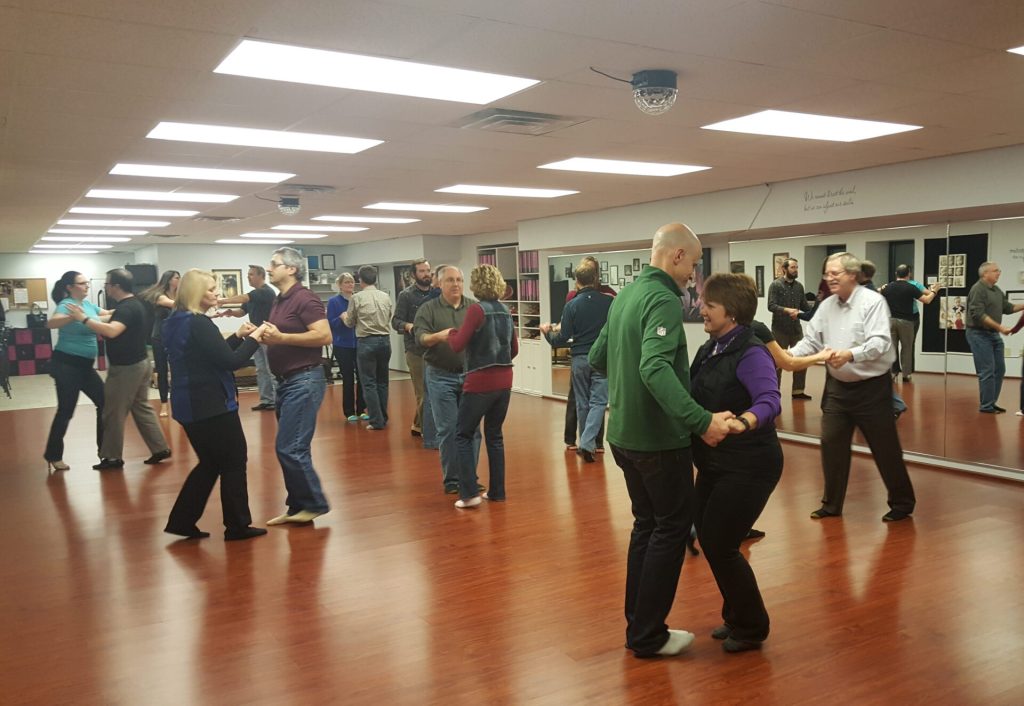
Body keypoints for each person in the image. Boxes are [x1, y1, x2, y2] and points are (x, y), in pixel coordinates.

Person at [589, 223, 733, 658]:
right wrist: (700, 420)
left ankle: (639, 626)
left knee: (647, 526)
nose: (694, 274)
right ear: (675, 256)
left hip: (622, 437)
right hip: (656, 442)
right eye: (692, 263)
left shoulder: (625, 297)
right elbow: (654, 369)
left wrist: (627, 378)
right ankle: (648, 634)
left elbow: (598, 357)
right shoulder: (664, 299)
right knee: (670, 528)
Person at [690, 273, 783, 653]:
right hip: (716, 463)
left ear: (730, 311)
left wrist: (742, 422)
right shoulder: (709, 348)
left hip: (751, 464)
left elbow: (770, 400)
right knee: (712, 539)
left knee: (720, 542)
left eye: (708, 304)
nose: (701, 309)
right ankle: (735, 615)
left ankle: (752, 625)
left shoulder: (751, 351)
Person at [789, 252, 916, 522]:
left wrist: (851, 354)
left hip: (872, 389)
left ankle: (902, 503)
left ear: (852, 275)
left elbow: (881, 342)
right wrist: (790, 356)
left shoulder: (873, 302)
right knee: (831, 443)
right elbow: (811, 342)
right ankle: (832, 504)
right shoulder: (826, 306)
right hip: (838, 389)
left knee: (885, 448)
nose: (829, 278)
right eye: (826, 274)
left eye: (835, 273)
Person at [162, 270, 267, 541]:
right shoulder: (199, 323)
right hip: (210, 404)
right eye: (211, 289)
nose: (217, 294)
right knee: (233, 461)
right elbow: (229, 362)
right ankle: (237, 525)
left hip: (188, 404)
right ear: (196, 293)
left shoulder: (175, 320)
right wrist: (255, 339)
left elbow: (205, 354)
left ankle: (182, 521)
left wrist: (237, 338)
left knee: (209, 463)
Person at [66, 268, 171, 470]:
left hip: (126, 368)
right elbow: (111, 322)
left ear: (115, 286)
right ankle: (160, 448)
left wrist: (84, 319)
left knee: (112, 412)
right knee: (141, 408)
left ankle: (112, 457)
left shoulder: (126, 308)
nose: (105, 287)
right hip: (140, 363)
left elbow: (113, 331)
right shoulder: (134, 305)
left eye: (107, 284)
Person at [261, 247, 332, 525]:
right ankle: (297, 506)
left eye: (274, 264)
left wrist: (280, 338)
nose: (269, 268)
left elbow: (324, 335)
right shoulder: (280, 299)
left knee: (289, 447)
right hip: (287, 382)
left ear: (291, 269)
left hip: (304, 380)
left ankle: (314, 503)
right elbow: (283, 333)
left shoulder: (305, 298)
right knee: (295, 446)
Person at [447, 264, 519, 508]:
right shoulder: (506, 311)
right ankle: (497, 491)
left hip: (479, 381)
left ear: (476, 285)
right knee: (494, 435)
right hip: (505, 381)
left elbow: (457, 345)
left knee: (463, 434)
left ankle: (469, 494)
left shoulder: (476, 310)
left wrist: (451, 334)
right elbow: (514, 349)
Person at [414, 265, 481, 494]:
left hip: (471, 375)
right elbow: (420, 337)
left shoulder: (474, 307)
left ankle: (469, 478)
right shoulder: (428, 309)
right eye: (451, 280)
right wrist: (438, 337)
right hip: (440, 375)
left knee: (472, 430)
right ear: (439, 284)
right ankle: (452, 480)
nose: (456, 284)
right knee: (449, 429)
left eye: (459, 280)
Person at [541, 262, 613, 462]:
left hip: (580, 359)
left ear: (577, 281)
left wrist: (547, 333)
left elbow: (562, 338)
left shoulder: (571, 305)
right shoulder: (609, 303)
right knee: (599, 402)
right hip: (602, 358)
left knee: (582, 402)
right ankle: (588, 443)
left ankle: (586, 443)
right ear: (596, 279)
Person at [43, 271, 111, 471]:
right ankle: (53, 455)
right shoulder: (67, 305)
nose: (86, 286)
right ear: (70, 287)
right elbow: (51, 323)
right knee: (66, 410)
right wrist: (73, 317)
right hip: (66, 365)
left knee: (105, 403)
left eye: (86, 283)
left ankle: (105, 451)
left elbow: (106, 314)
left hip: (84, 367)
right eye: (81, 284)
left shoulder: (89, 305)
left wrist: (125, 309)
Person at [965, 261, 1024, 414]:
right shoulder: (978, 289)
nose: (999, 273)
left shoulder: (996, 290)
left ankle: (991, 402)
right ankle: (986, 406)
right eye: (996, 270)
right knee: (987, 370)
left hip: (993, 335)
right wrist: (1000, 327)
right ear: (985, 273)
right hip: (978, 334)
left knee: (999, 369)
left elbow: (1008, 307)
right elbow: (978, 314)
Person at [216, 265, 278, 411]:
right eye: (248, 274)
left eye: (251, 274)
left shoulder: (266, 292)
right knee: (261, 370)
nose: (248, 277)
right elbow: (242, 311)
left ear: (260, 276)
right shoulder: (253, 295)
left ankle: (278, 399)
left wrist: (222, 300)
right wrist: (229, 312)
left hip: (268, 336)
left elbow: (245, 297)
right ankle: (267, 400)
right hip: (256, 337)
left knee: (271, 369)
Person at [342, 265, 394, 430]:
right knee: (383, 382)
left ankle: (376, 420)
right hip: (385, 341)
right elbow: (389, 316)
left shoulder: (356, 298)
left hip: (366, 342)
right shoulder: (386, 296)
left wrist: (344, 317)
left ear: (360, 280)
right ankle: (383, 417)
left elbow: (350, 322)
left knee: (369, 383)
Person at [392, 259, 433, 437]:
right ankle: (427, 430)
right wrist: (409, 326)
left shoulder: (437, 294)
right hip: (415, 349)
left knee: (433, 389)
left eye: (428, 270)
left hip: (435, 347)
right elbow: (395, 321)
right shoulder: (406, 295)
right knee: (422, 391)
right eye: (422, 271)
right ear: (414, 275)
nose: (426, 274)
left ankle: (417, 425)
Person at [881, 265, 939, 382]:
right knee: (907, 347)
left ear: (896, 274)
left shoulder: (887, 287)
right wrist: (934, 291)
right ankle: (906, 374)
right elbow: (927, 300)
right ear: (909, 274)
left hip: (890, 321)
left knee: (892, 347)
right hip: (906, 322)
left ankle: (893, 372)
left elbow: (877, 295)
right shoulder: (910, 287)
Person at [767, 258, 813, 400]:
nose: (796, 270)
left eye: (797, 267)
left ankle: (798, 391)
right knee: (778, 361)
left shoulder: (799, 286)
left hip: (795, 329)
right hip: (780, 329)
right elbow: (771, 306)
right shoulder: (775, 285)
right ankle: (774, 392)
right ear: (784, 269)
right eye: (793, 267)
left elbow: (804, 306)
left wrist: (817, 308)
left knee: (801, 358)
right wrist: (787, 310)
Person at [139, 269, 179, 417]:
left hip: (175, 337)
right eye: (176, 277)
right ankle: (164, 404)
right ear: (169, 280)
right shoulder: (159, 296)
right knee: (162, 371)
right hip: (159, 337)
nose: (178, 280)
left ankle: (176, 401)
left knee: (177, 370)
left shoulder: (179, 295)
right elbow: (172, 304)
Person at [326, 272, 366, 420]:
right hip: (342, 345)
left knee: (362, 377)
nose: (350, 285)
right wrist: (341, 318)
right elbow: (330, 323)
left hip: (359, 342)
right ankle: (349, 411)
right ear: (340, 285)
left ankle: (362, 408)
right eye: (346, 282)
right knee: (348, 378)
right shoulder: (334, 302)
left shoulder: (358, 299)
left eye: (352, 282)